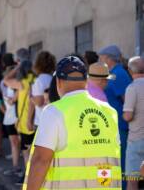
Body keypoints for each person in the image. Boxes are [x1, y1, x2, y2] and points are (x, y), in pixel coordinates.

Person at [24, 55, 122, 190]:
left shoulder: (54, 111)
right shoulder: (110, 111)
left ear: (58, 82)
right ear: (86, 80)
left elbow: (41, 159)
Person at [98, 44, 132, 188]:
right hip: (111, 127)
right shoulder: (112, 73)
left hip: (120, 127)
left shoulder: (118, 74)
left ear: (108, 58)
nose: (100, 60)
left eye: (102, 57)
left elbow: (127, 100)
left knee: (121, 163)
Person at [4, 59, 35, 185]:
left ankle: (28, 177)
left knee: (26, 152)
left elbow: (6, 79)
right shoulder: (36, 80)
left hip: (26, 123)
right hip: (37, 121)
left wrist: (17, 67)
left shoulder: (22, 83)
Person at [122, 56, 144, 190]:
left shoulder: (132, 88)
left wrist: (123, 115)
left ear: (130, 71)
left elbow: (128, 116)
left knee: (132, 180)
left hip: (135, 140)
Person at [0, 53, 21, 176]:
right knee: (14, 142)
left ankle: (21, 169)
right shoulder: (4, 84)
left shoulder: (17, 85)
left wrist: (13, 99)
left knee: (20, 143)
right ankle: (15, 167)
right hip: (9, 116)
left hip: (18, 116)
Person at [28, 51, 55, 131]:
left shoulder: (39, 80)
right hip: (52, 119)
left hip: (41, 121)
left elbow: (39, 102)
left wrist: (30, 97)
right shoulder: (53, 79)